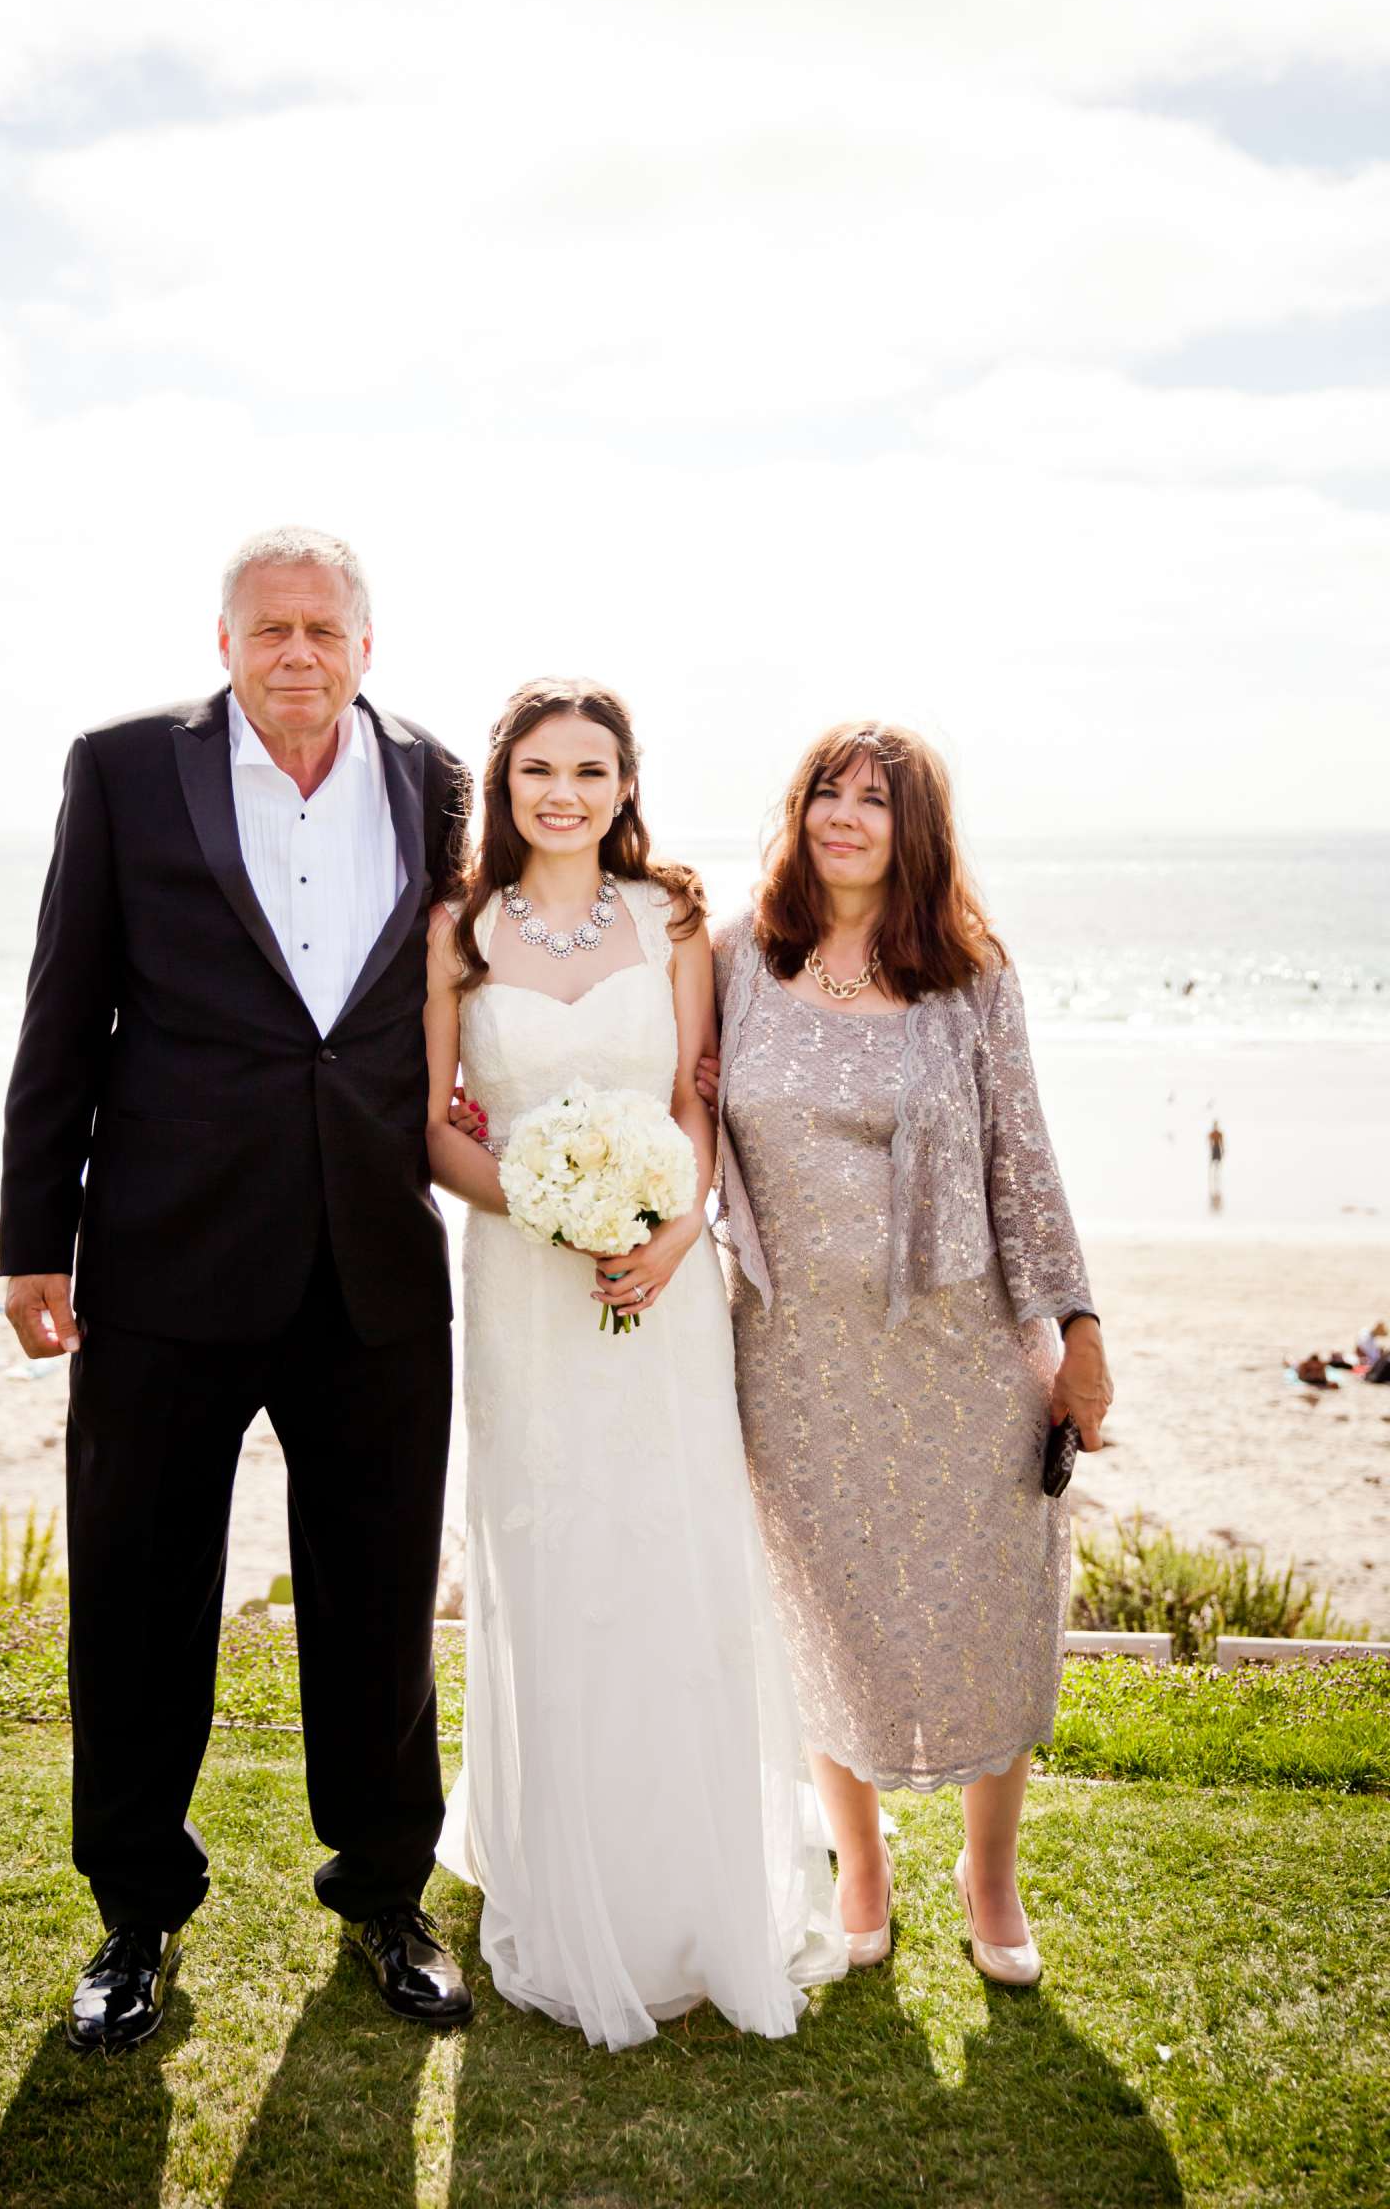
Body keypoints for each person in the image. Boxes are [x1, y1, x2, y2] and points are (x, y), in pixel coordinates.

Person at [0, 525, 472, 2055]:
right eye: (269, 629)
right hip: (165, 1257)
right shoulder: (126, 771)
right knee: (138, 1597)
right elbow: (67, 1000)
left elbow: (474, 989)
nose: (297, 654)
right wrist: (33, 1240)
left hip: (374, 1264)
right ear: (223, 642)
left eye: (323, 630)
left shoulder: (436, 779)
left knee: (381, 1602)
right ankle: (134, 1917)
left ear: (365, 645)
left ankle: (388, 1890)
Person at [425, 679, 844, 2051]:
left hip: (660, 1288)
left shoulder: (673, 918)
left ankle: (688, 1882)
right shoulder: (457, 931)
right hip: (520, 1286)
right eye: (540, 768)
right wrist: (546, 1204)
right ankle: (560, 1876)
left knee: (667, 1548)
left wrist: (666, 1235)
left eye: (591, 770)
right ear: (507, 783)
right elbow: (433, 1126)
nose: (565, 792)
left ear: (624, 783)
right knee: (549, 1554)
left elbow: (693, 1099)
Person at [700, 723, 1112, 1987]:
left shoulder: (971, 976)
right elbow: (670, 1105)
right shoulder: (734, 961)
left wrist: (1080, 1333)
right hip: (795, 1356)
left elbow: (1022, 1162)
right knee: (827, 1605)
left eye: (873, 801)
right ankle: (859, 1864)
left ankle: (988, 1880)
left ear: (912, 828)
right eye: (826, 791)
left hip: (964, 1346)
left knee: (991, 1606)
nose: (843, 815)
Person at [1207, 1117, 1225, 1210]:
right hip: (1214, 1148)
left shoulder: (1218, 1134)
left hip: (1217, 1147)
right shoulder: (1213, 1134)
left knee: (1217, 1162)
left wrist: (1222, 1149)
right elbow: (1210, 1141)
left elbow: (1221, 1142)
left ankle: (1216, 1173)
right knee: (1213, 1161)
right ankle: (1213, 1173)